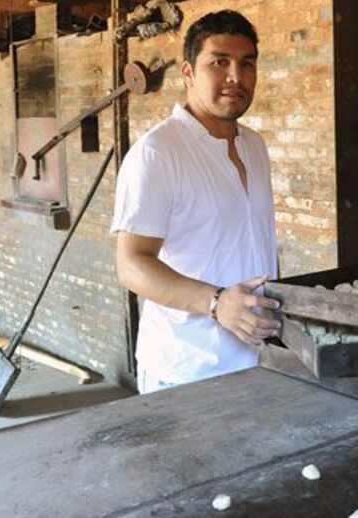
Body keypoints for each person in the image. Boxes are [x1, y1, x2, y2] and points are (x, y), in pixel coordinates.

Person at [112, 10, 281, 394]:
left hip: (259, 360)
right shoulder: (158, 152)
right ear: (188, 73)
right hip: (186, 369)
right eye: (219, 62)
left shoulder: (254, 146)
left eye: (247, 63)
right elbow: (131, 265)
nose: (236, 76)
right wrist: (216, 302)